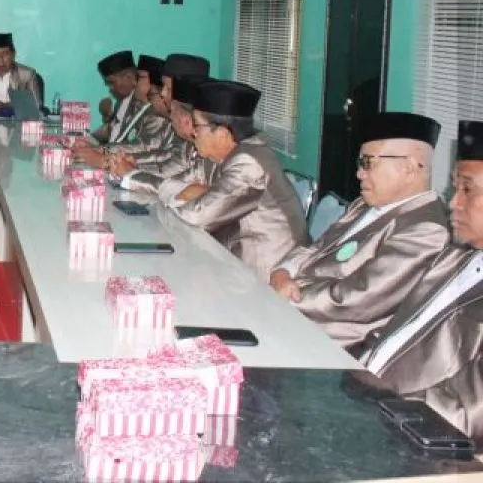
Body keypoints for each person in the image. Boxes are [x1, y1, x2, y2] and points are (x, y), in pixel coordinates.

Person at [271, 112, 450, 348]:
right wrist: (284, 271)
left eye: (367, 163)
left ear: (408, 168)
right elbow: (318, 247)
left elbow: (358, 298)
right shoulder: (363, 205)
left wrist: (286, 296)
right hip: (292, 317)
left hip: (332, 344)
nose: (359, 174)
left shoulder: (426, 229)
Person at [355, 120, 483, 443]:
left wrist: (383, 410)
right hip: (369, 400)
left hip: (419, 438)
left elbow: (469, 409)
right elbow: (398, 330)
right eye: (454, 188)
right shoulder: (455, 257)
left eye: (467, 190)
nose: (453, 202)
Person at [169, 79, 307, 280]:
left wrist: (176, 201)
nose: (193, 132)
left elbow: (199, 216)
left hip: (270, 277)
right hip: (236, 260)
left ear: (222, 133)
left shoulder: (249, 163)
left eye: (197, 125)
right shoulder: (231, 154)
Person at [112, 75, 213, 195]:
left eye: (168, 88)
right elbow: (175, 177)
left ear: (187, 121)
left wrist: (132, 173)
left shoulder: (219, 159)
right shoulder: (190, 143)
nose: (163, 93)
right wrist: (134, 167)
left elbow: (182, 189)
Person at [91, 50, 138, 145]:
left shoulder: (142, 104)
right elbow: (111, 131)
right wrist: (88, 140)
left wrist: (102, 150)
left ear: (129, 77)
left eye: (111, 82)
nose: (110, 89)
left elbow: (135, 145)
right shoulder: (120, 102)